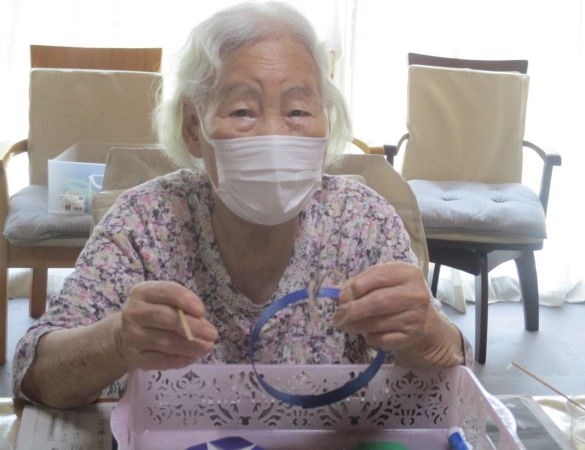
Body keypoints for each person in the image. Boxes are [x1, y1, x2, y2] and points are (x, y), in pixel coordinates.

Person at [13, 1, 472, 409]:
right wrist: (116, 341)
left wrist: (427, 333)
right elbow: (33, 375)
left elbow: (454, 373)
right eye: (242, 112)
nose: (273, 134)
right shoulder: (145, 222)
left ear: (326, 122)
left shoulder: (363, 221)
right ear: (193, 128)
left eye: (297, 111)